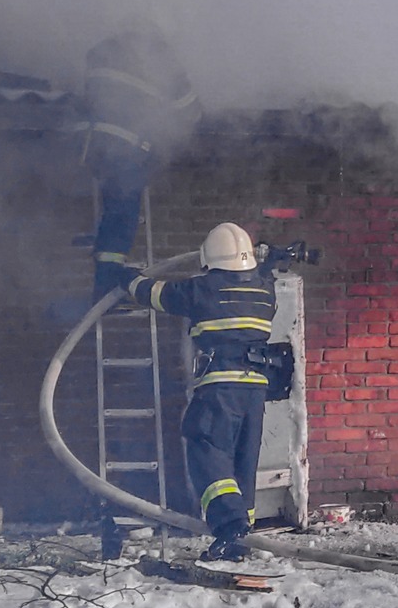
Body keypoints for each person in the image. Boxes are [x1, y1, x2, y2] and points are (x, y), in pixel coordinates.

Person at [121, 222, 299, 562]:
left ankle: (229, 525)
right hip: (255, 390)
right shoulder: (265, 291)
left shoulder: (201, 289)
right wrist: (267, 264)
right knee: (243, 462)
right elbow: (259, 280)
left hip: (221, 387)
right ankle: (240, 539)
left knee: (206, 447)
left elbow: (154, 294)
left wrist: (126, 277)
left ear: (210, 259)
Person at [82, 25, 202, 297]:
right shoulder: (160, 58)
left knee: (112, 213)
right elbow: (190, 109)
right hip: (127, 149)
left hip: (94, 146)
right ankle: (106, 291)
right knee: (122, 218)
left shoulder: (103, 51)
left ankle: (104, 284)